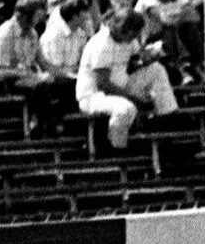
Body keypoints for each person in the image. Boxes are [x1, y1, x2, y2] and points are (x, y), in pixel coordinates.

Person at [76, 11, 179, 150]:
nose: (134, 38)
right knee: (126, 108)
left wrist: (149, 57)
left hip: (122, 86)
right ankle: (117, 149)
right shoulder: (101, 44)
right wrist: (134, 99)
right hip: (94, 96)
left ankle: (168, 120)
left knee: (156, 69)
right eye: (132, 34)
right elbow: (103, 84)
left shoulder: (128, 39)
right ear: (123, 29)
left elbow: (136, 59)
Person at [0, 0, 73, 135]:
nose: (40, 19)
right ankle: (45, 128)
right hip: (7, 82)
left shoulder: (33, 33)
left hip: (30, 78)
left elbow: (43, 63)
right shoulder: (4, 33)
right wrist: (29, 75)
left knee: (64, 83)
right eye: (37, 15)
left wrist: (67, 75)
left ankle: (64, 126)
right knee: (41, 86)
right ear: (25, 16)